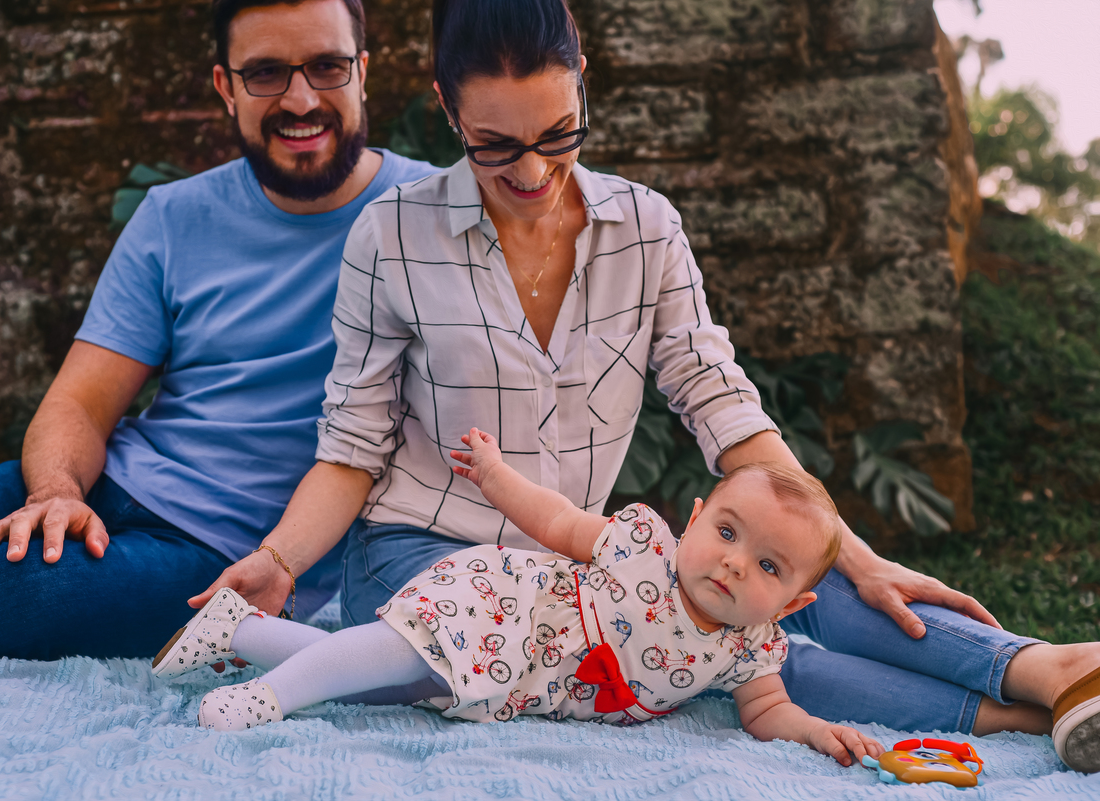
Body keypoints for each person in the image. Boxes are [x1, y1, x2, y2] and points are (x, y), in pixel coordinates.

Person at [190, 0, 1100, 772]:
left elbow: (722, 405)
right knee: (728, 651)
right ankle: (1015, 716)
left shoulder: (645, 227)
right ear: (445, 108)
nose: (532, 173)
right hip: (425, 561)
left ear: (583, 80)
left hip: (579, 571)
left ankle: (1050, 671)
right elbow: (352, 448)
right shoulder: (390, 234)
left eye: (559, 134)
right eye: (494, 146)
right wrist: (279, 561)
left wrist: (850, 555)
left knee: (775, 583)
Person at [0, 0, 436, 660]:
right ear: (226, 88)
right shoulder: (174, 216)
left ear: (363, 72)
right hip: (112, 482)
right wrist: (58, 495)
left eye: (327, 66)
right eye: (265, 73)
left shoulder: (432, 217)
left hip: (227, 554)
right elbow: (80, 402)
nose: (301, 100)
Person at [158, 432, 886, 768]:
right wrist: (496, 475)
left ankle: (241, 630)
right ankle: (271, 695)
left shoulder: (751, 647)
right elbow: (558, 521)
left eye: (767, 565)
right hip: (506, 608)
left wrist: (815, 731)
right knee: (396, 655)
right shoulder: (642, 547)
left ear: (791, 604)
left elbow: (766, 711)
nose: (733, 562)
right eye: (726, 531)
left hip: (518, 681)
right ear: (693, 519)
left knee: (392, 682)